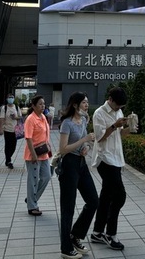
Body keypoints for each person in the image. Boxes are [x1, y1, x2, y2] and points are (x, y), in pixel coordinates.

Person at [90, 87, 130, 251]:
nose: (119, 109)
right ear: (110, 99)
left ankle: (97, 232)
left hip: (116, 158)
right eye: (117, 106)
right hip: (104, 158)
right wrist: (114, 125)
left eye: (121, 107)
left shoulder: (118, 112)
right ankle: (110, 233)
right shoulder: (99, 113)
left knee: (106, 196)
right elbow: (100, 137)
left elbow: (119, 135)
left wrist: (129, 127)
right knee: (119, 196)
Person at [58, 92, 98, 259]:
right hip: (69, 166)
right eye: (83, 102)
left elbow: (85, 142)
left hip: (81, 164)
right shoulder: (67, 123)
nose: (86, 105)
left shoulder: (84, 120)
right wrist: (84, 140)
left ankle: (75, 235)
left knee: (93, 200)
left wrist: (86, 147)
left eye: (87, 102)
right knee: (68, 207)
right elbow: (63, 149)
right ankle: (66, 248)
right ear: (75, 105)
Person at [23, 95, 52, 216]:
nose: (42, 106)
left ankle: (31, 199)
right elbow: (28, 138)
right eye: (40, 104)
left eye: (44, 104)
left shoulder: (43, 117)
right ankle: (32, 206)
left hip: (44, 153)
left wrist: (49, 147)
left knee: (47, 177)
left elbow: (45, 135)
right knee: (33, 180)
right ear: (33, 106)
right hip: (33, 154)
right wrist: (33, 154)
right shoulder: (30, 119)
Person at [0, 94, 20, 169]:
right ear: (7, 99)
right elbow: (1, 119)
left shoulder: (16, 107)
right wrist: (0, 129)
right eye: (9, 97)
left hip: (15, 130)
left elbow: (19, 117)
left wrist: (15, 117)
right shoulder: (4, 108)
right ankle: (8, 161)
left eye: (12, 97)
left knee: (13, 146)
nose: (11, 99)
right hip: (7, 129)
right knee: (7, 145)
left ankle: (8, 157)